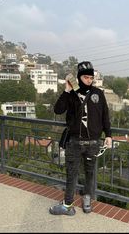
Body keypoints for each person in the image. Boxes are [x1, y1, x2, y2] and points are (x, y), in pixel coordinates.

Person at [49, 61, 112, 216]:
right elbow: (58, 110)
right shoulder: (71, 94)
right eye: (86, 77)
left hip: (93, 143)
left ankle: (87, 200)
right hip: (75, 142)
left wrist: (109, 135)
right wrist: (66, 90)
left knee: (90, 173)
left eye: (91, 78)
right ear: (78, 78)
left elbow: (105, 117)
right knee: (72, 173)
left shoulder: (98, 93)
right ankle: (68, 205)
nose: (89, 80)